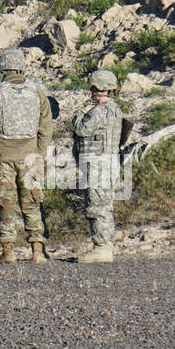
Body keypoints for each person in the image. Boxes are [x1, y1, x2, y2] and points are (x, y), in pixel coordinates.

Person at [0, 48, 53, 264]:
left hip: (2, 158)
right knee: (32, 203)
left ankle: (8, 252)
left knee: (4, 205)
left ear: (2, 69)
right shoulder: (37, 91)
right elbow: (46, 126)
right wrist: (40, 155)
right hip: (30, 158)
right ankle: (37, 251)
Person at [73, 70, 125, 263]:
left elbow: (81, 129)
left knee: (97, 207)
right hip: (108, 162)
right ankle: (105, 246)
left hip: (98, 164)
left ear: (96, 88)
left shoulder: (100, 111)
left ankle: (101, 248)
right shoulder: (115, 109)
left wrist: (80, 114)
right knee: (105, 206)